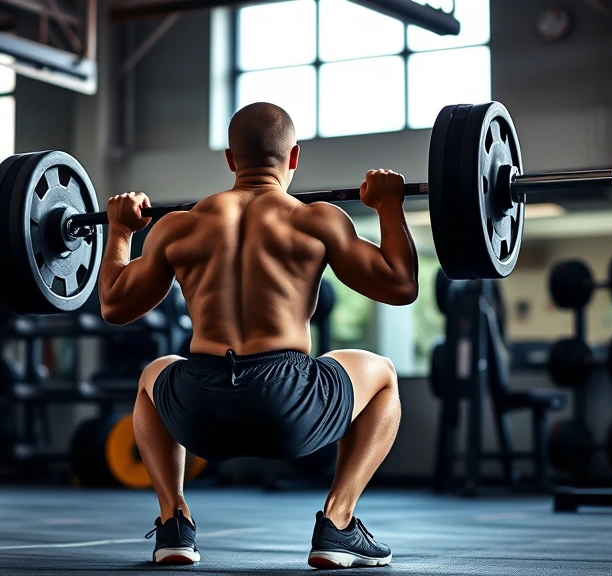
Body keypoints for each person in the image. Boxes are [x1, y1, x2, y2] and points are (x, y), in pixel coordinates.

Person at [98, 102, 418, 569]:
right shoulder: (316, 220)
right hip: (288, 406)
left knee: (155, 373)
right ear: (294, 158)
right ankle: (338, 523)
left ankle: (174, 522)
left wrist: (120, 231)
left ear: (230, 160)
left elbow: (114, 305)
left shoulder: (178, 226)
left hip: (201, 410)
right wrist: (389, 205)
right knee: (383, 374)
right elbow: (401, 285)